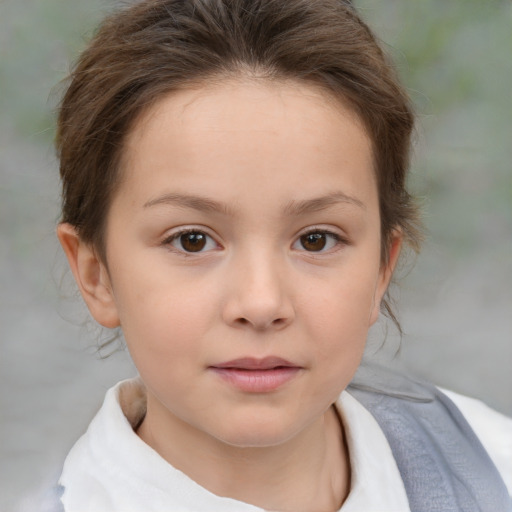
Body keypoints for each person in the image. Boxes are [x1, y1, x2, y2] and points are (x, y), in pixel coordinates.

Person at [54, 0, 512, 510]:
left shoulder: (494, 466)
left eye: (316, 239)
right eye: (192, 240)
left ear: (383, 267)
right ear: (96, 275)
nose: (262, 302)